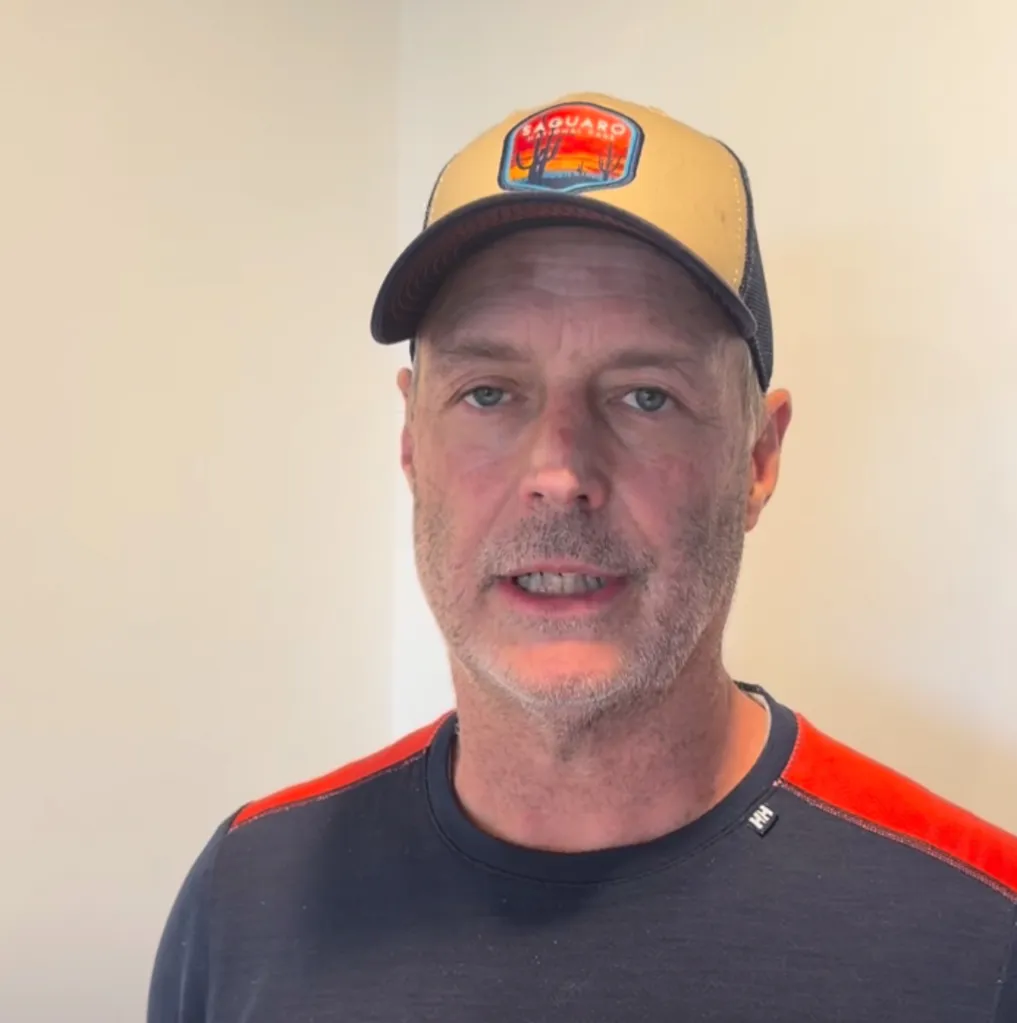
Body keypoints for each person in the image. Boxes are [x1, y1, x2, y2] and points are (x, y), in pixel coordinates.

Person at [148, 92, 1017, 1022]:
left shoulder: (978, 933)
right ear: (409, 441)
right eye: (488, 393)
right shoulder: (250, 896)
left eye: (644, 396)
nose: (558, 472)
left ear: (758, 458)